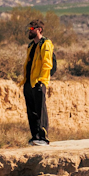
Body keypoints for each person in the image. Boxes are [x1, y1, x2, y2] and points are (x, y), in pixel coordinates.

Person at [20, 17, 56, 145]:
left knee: (41, 110)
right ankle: (35, 136)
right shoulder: (31, 45)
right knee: (31, 111)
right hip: (29, 82)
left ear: (39, 30)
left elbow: (47, 63)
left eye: (31, 29)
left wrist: (42, 80)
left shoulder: (45, 44)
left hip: (39, 81)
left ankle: (43, 137)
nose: (29, 31)